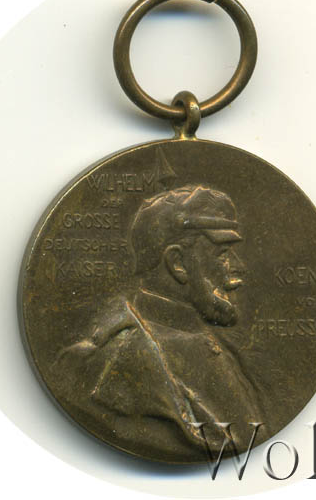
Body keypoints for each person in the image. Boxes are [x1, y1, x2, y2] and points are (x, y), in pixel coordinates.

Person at [53, 185, 266, 461]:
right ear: (178, 263)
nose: (237, 269)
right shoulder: (108, 362)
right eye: (222, 254)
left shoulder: (205, 344)